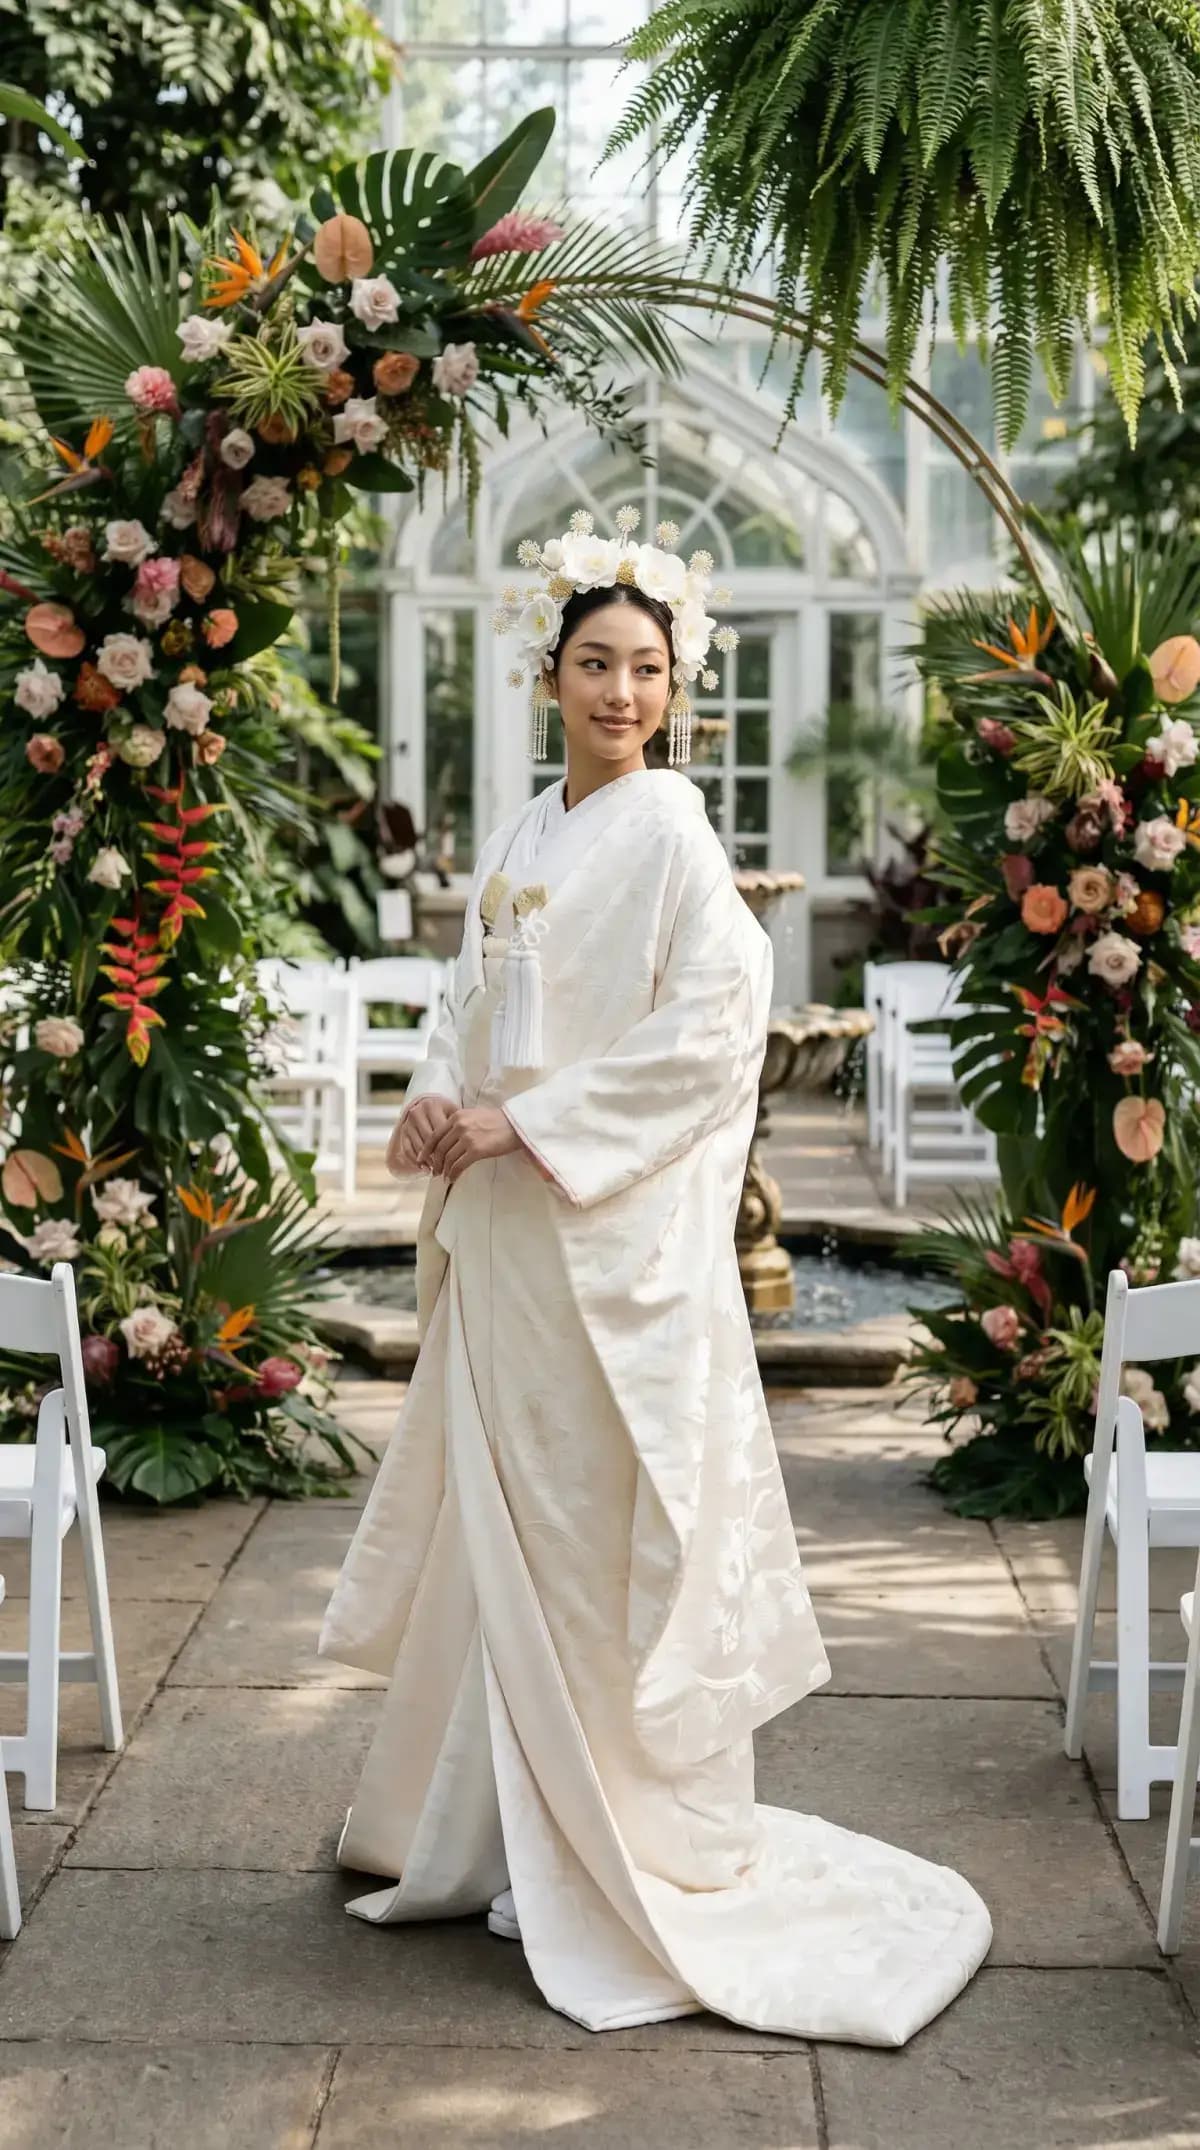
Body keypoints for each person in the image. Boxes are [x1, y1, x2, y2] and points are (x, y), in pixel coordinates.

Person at [318, 506, 991, 2045]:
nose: (622, 691)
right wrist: (441, 1097)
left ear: (677, 687)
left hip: (600, 1255)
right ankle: (500, 1837)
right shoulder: (523, 834)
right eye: (595, 663)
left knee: (595, 1550)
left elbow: (709, 1034)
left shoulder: (676, 833)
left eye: (647, 668)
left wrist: (526, 1120)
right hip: (506, 1247)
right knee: (512, 1554)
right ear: (547, 672)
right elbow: (474, 1002)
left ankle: (616, 1848)